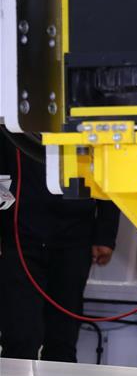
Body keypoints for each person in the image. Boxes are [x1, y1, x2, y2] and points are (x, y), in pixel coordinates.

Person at [0, 131, 120, 362]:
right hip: (19, 239)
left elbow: (108, 170)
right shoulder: (10, 121)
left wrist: (105, 234)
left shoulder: (84, 115)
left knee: (63, 339)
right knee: (21, 336)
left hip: (74, 238)